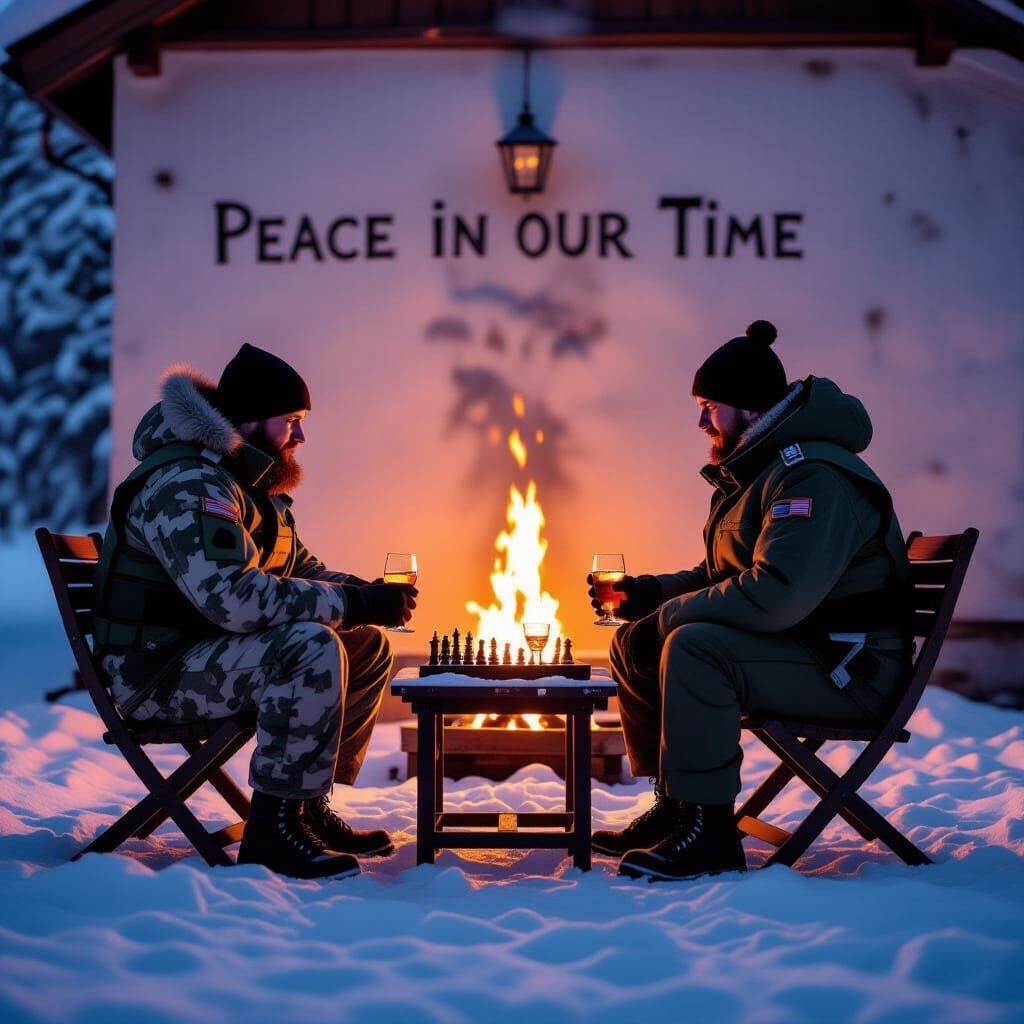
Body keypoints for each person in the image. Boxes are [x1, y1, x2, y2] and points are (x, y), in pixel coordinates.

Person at [589, 320, 912, 882]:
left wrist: (666, 619)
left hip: (848, 669)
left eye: (708, 405)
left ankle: (711, 832)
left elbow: (774, 595)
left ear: (746, 406)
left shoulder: (813, 476)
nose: (699, 421)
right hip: (808, 650)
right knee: (635, 638)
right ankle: (677, 805)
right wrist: (650, 595)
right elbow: (723, 574)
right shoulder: (766, 469)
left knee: (696, 647)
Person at [93, 343, 417, 879]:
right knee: (307, 648)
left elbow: (300, 570)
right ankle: (273, 831)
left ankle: (307, 808)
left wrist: (365, 594)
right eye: (291, 421)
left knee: (365, 642)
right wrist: (354, 601)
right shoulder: (190, 485)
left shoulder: (243, 482)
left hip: (199, 652)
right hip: (156, 672)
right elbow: (234, 599)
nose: (301, 436)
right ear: (250, 419)